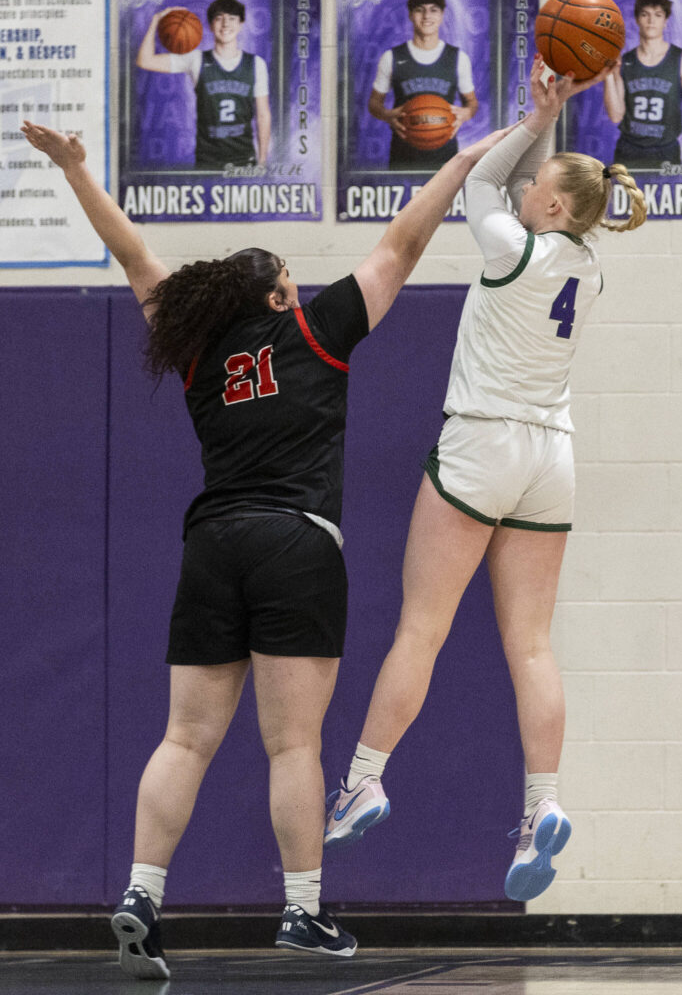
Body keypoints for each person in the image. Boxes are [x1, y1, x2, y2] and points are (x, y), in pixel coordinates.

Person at [21, 112, 511, 978]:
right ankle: (302, 911)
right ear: (282, 297)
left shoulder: (198, 347)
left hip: (213, 543)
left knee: (183, 739)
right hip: (297, 544)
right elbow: (402, 243)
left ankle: (139, 893)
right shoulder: (317, 329)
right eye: (291, 276)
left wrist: (75, 171)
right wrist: (466, 159)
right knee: (291, 746)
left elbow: (134, 256)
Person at [324, 56, 647, 903]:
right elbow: (513, 180)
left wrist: (541, 116)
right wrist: (550, 118)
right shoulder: (589, 266)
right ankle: (542, 802)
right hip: (552, 460)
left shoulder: (514, 246)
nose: (526, 187)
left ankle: (363, 779)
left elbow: (478, 175)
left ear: (550, 205)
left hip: (483, 447)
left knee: (421, 630)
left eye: (539, 184)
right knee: (532, 646)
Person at [137, 0, 271, 170]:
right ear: (209, 25)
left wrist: (262, 162)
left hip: (244, 160)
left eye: (232, 18)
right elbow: (145, 61)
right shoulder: (195, 60)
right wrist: (156, 21)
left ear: (241, 24)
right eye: (219, 18)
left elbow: (263, 115)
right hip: (208, 160)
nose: (225, 24)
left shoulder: (255, 64)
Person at [368, 0, 478, 170]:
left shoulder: (458, 58)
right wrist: (387, 115)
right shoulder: (392, 57)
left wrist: (466, 113)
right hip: (403, 154)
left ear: (442, 15)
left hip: (445, 155)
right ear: (411, 15)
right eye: (420, 10)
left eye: (433, 10)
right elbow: (374, 103)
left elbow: (472, 103)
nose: (427, 16)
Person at [603, 0, 682, 169]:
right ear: (637, 19)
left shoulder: (681, 59)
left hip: (666, 150)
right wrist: (608, 74)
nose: (651, 20)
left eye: (658, 15)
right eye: (645, 14)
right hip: (628, 150)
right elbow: (616, 116)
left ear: (666, 21)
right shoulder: (624, 61)